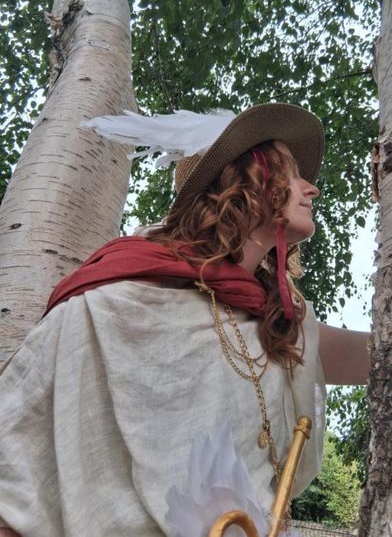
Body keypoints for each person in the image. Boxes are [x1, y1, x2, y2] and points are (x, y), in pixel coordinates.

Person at [0, 103, 370, 536]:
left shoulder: (280, 324)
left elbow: (390, 354)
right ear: (248, 181)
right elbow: (14, 474)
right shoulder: (112, 304)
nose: (311, 189)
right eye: (291, 172)